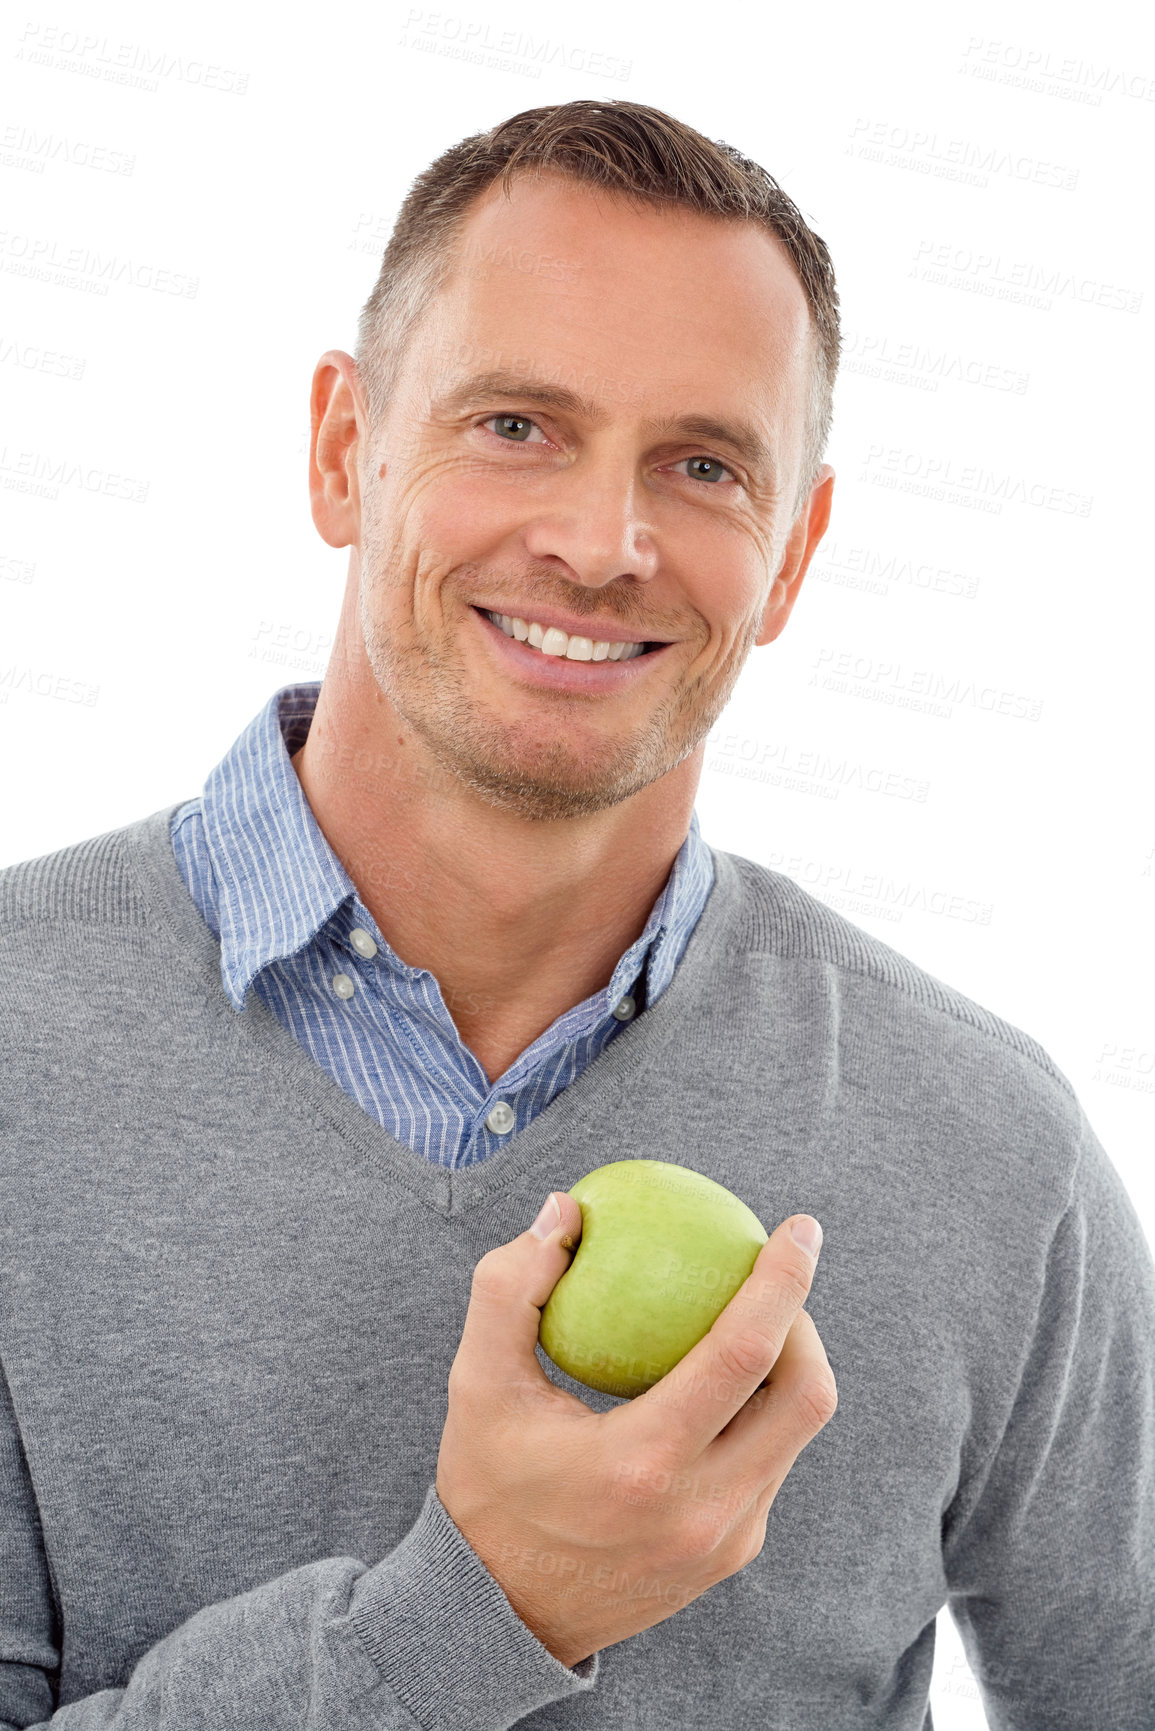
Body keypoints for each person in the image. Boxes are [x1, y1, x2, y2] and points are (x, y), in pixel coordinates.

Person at [1, 98, 1151, 1731]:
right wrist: (483, 1612)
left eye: (702, 465)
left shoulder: (993, 1153)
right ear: (345, 451)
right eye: (518, 426)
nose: (602, 545)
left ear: (797, 551)